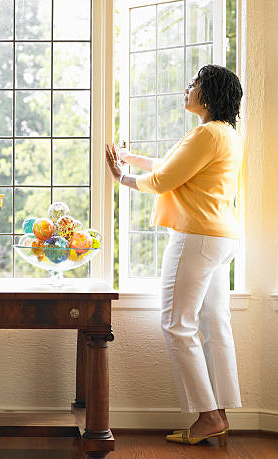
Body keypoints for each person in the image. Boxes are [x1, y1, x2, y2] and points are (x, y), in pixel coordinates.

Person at [105, 64, 244, 446]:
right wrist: (131, 158)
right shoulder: (226, 135)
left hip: (195, 237)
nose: (188, 88)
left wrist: (121, 178)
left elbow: (165, 180)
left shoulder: (204, 134)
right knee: (215, 323)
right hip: (221, 238)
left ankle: (207, 416)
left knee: (176, 323)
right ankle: (222, 410)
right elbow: (173, 167)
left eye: (194, 83)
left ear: (209, 93)